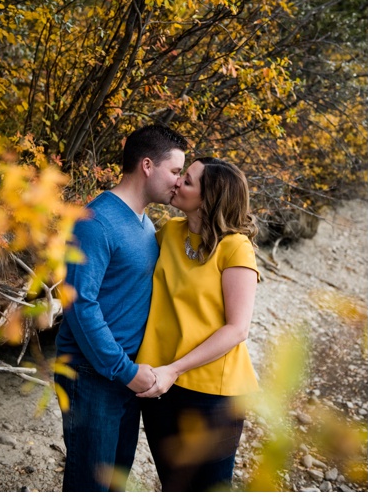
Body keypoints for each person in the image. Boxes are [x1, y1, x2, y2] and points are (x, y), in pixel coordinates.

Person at [55, 125, 188, 491]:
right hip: (93, 374)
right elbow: (80, 304)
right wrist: (124, 369)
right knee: (90, 485)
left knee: (114, 483)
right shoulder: (96, 221)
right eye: (175, 171)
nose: (178, 182)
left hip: (125, 375)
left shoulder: (145, 222)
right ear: (147, 165)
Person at [135, 157, 259, 492]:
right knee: (174, 485)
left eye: (187, 181)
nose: (176, 183)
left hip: (214, 394)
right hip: (159, 383)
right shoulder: (168, 234)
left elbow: (238, 328)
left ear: (209, 198)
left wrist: (175, 369)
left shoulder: (236, 248)